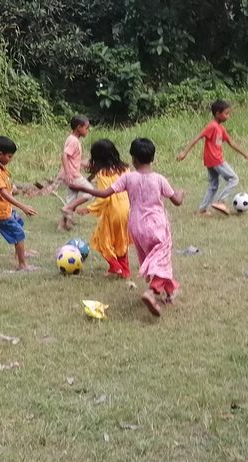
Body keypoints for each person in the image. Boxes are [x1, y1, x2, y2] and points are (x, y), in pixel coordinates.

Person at [75, 138, 185, 316]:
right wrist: (180, 193)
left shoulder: (128, 177)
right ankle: (152, 292)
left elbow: (103, 193)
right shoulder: (159, 179)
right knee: (161, 260)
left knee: (155, 261)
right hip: (157, 226)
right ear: (153, 158)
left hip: (136, 227)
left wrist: (85, 188)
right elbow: (177, 201)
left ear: (133, 159)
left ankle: (170, 292)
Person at [177, 99, 248, 216]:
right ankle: (221, 201)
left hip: (211, 161)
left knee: (213, 185)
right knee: (234, 179)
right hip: (216, 160)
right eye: (226, 113)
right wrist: (184, 152)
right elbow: (198, 137)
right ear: (218, 114)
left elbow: (231, 143)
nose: (228, 116)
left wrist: (246, 155)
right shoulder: (212, 126)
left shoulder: (220, 128)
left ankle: (201, 210)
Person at [75, 139, 133, 278]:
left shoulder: (103, 174)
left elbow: (103, 197)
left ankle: (115, 267)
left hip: (113, 211)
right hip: (127, 210)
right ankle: (125, 270)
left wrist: (88, 209)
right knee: (121, 240)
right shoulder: (125, 169)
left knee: (101, 240)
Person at [0, 136, 39, 270]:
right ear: (0, 154)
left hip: (3, 207)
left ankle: (20, 252)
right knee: (18, 233)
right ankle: (22, 265)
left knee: (18, 223)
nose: (11, 159)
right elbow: (3, 193)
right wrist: (23, 206)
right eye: (9, 156)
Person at [57, 115, 93, 230]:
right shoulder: (74, 141)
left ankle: (62, 225)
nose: (87, 130)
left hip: (72, 174)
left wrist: (84, 164)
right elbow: (64, 155)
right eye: (86, 128)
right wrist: (68, 173)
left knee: (71, 200)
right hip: (73, 176)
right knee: (91, 192)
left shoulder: (71, 139)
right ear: (79, 127)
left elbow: (72, 159)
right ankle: (68, 209)